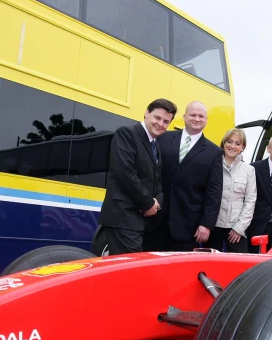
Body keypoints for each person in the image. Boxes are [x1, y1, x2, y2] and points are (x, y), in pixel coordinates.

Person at [91, 98, 176, 256]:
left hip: (136, 219)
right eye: (157, 118)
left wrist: (157, 201)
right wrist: (147, 203)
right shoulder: (127, 133)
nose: (161, 124)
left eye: (166, 121)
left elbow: (157, 179)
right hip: (122, 216)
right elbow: (124, 172)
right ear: (146, 113)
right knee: (127, 269)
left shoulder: (156, 145)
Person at [144, 101, 223, 252]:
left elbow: (214, 192)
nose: (197, 119)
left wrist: (206, 224)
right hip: (154, 219)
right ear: (185, 117)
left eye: (201, 116)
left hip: (187, 225)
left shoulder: (214, 152)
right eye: (193, 115)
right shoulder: (163, 138)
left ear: (206, 120)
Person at [208, 128, 257, 253]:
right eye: (230, 141)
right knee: (211, 266)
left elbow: (250, 201)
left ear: (243, 147)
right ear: (224, 143)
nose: (232, 146)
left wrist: (239, 228)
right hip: (213, 226)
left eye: (237, 143)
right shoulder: (212, 165)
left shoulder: (249, 170)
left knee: (239, 268)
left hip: (236, 229)